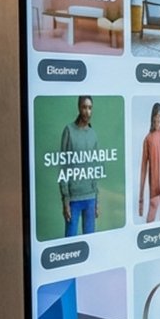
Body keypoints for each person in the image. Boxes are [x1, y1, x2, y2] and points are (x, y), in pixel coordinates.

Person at [59, 95, 100, 236]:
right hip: (74, 199)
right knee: (70, 243)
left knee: (90, 241)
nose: (87, 111)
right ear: (79, 108)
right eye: (84, 107)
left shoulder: (93, 134)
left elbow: (94, 167)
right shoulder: (69, 131)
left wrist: (96, 200)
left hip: (90, 198)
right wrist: (65, 200)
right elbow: (63, 167)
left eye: (90, 108)